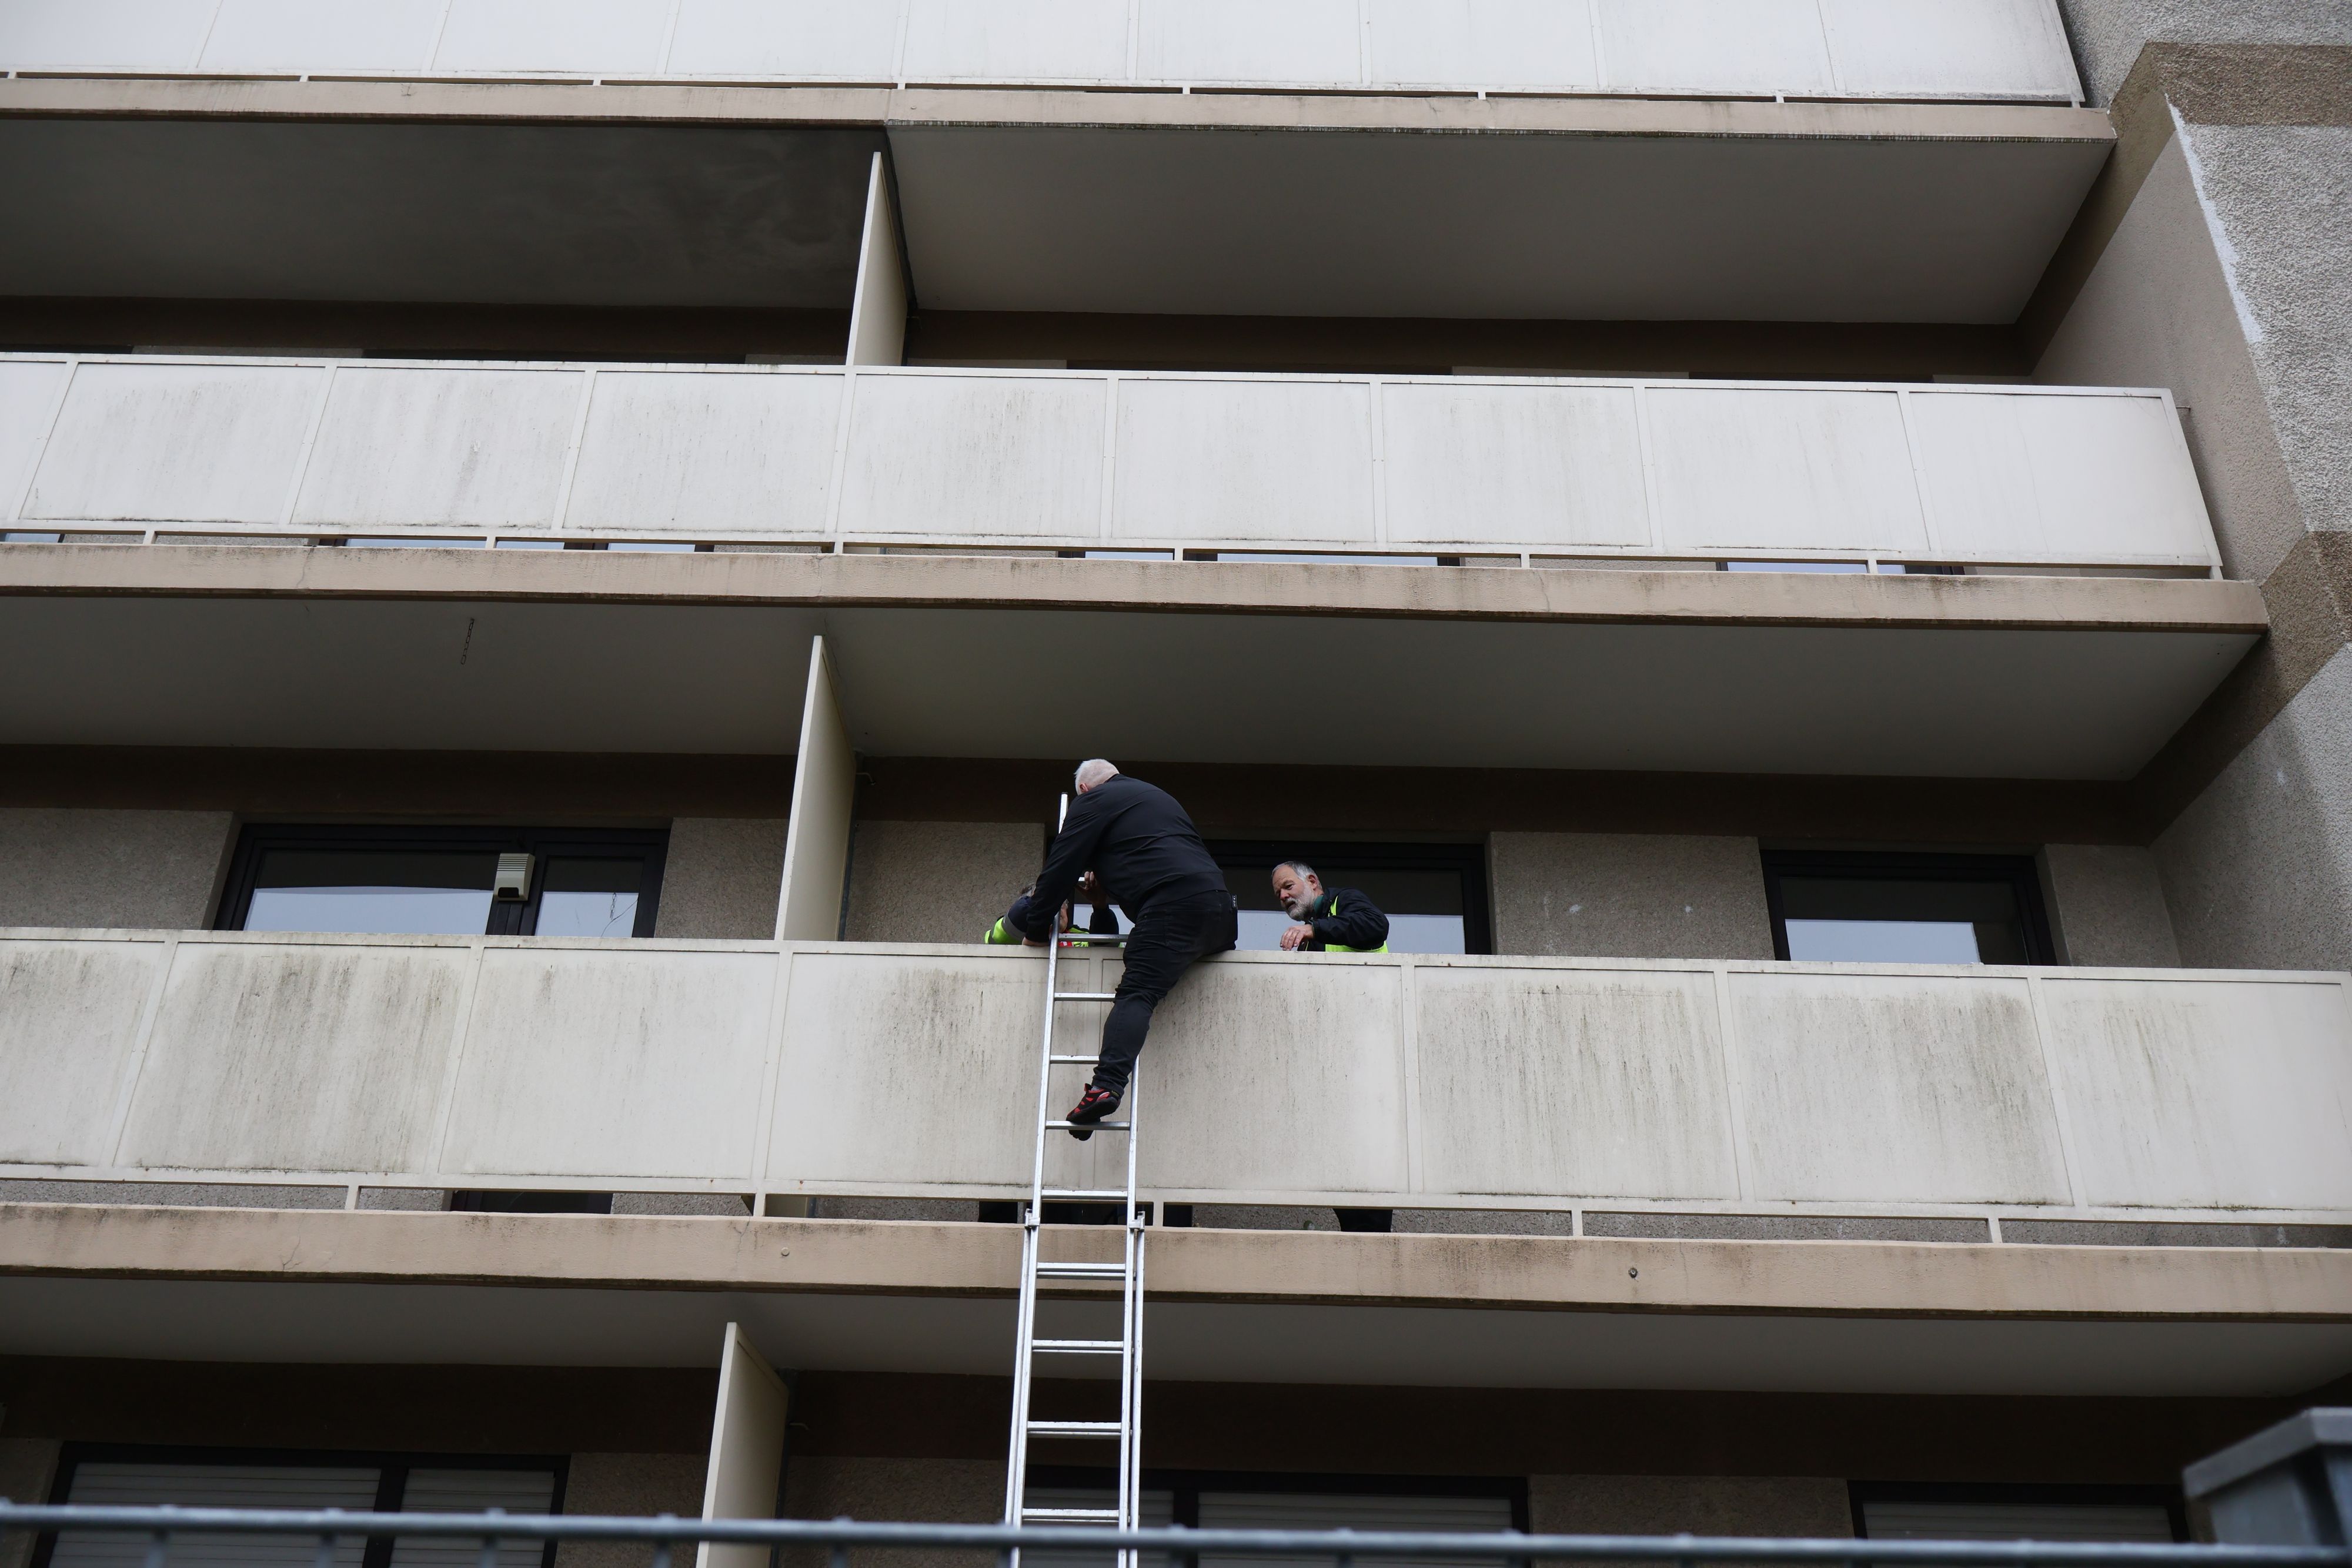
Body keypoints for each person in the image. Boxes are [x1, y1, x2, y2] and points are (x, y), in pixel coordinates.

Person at [1020, 760, 1236, 1138]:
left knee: (1137, 992)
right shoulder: (1155, 797)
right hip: (1220, 910)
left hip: (1173, 906)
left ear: (1085, 790)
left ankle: (1105, 1085)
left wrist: (1036, 929)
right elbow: (1152, 855)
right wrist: (1104, 899)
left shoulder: (1093, 802)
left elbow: (1058, 871)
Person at [1271, 860, 1390, 954]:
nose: (1283, 896)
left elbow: (1376, 924)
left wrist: (1314, 929)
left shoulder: (1344, 899)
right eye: (1278, 894)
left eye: (1289, 886)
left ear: (1312, 882)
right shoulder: (1306, 942)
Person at [984, 874, 1120, 945]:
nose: (1057, 909)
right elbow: (1010, 927)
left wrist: (1100, 906)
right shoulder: (1011, 930)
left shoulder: (1080, 939)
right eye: (1050, 903)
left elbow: (1107, 948)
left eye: (1061, 904)